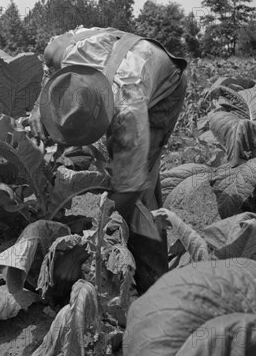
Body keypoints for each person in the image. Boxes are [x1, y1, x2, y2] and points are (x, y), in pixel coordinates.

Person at [30, 26, 188, 293]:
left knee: (139, 187)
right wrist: (38, 107)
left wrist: (85, 246)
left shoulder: (127, 111)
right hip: (127, 62)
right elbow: (50, 70)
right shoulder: (60, 52)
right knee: (130, 167)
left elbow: (128, 188)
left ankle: (156, 280)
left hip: (165, 78)